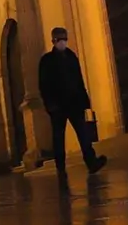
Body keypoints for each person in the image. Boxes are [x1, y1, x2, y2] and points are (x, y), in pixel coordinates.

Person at [38, 27, 107, 183]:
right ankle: (60, 167)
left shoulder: (71, 57)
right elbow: (44, 85)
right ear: (53, 41)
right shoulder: (47, 61)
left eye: (64, 39)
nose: (62, 42)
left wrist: (84, 100)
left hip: (74, 103)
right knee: (58, 137)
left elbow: (78, 79)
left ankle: (91, 162)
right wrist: (50, 105)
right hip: (57, 106)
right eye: (59, 39)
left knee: (83, 134)